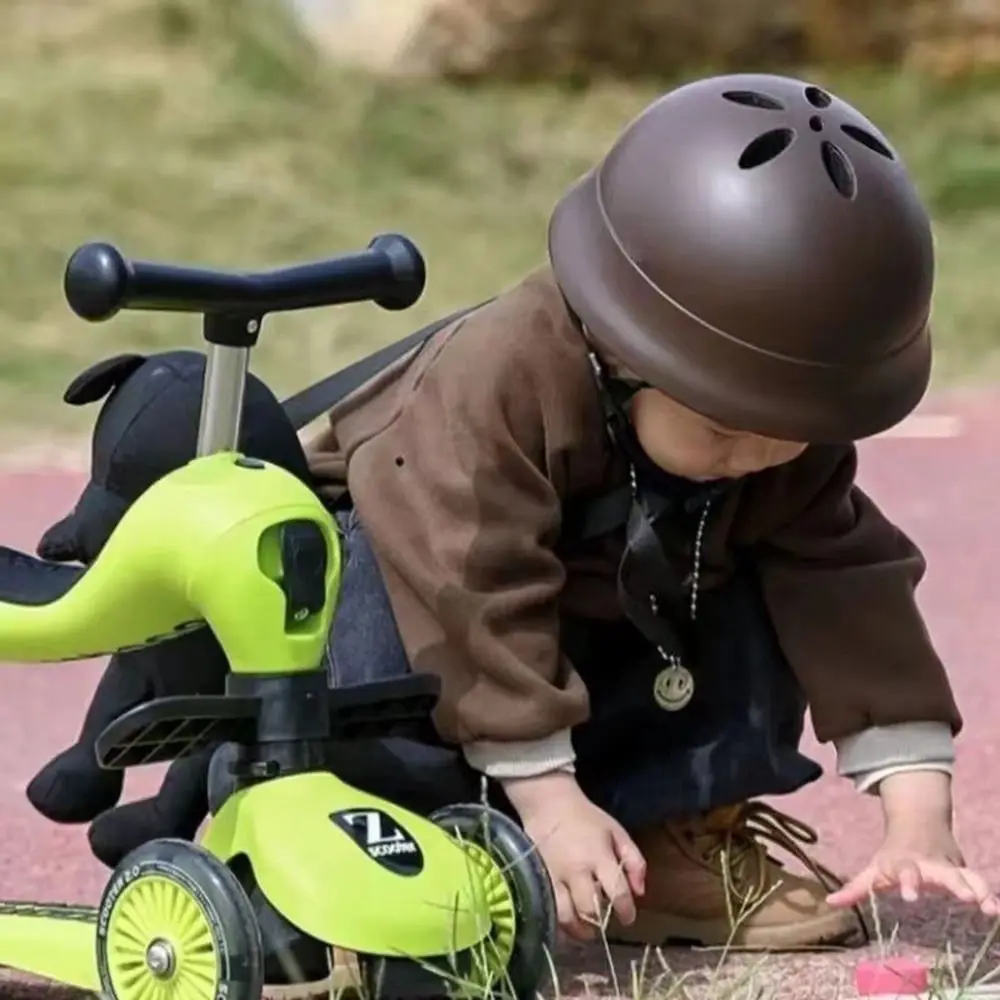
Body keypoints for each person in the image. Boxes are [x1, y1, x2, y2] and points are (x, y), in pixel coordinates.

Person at [28, 71, 1000, 958]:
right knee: (376, 580)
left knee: (761, 560)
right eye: (724, 427)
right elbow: (469, 578)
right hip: (412, 641)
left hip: (582, 635)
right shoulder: (498, 382)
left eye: (785, 431)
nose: (757, 454)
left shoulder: (770, 423)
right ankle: (377, 833)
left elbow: (850, 589)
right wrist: (546, 796)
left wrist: (918, 812)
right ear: (627, 349)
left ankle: (663, 839)